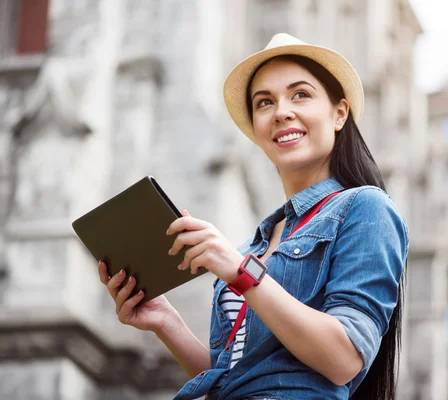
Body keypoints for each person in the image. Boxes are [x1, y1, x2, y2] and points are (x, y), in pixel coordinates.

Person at [97, 33, 409, 400]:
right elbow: (233, 378)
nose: (281, 112)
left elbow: (344, 358)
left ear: (339, 113)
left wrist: (241, 271)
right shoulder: (255, 245)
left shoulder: (366, 208)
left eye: (300, 95)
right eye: (264, 102)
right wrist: (165, 321)